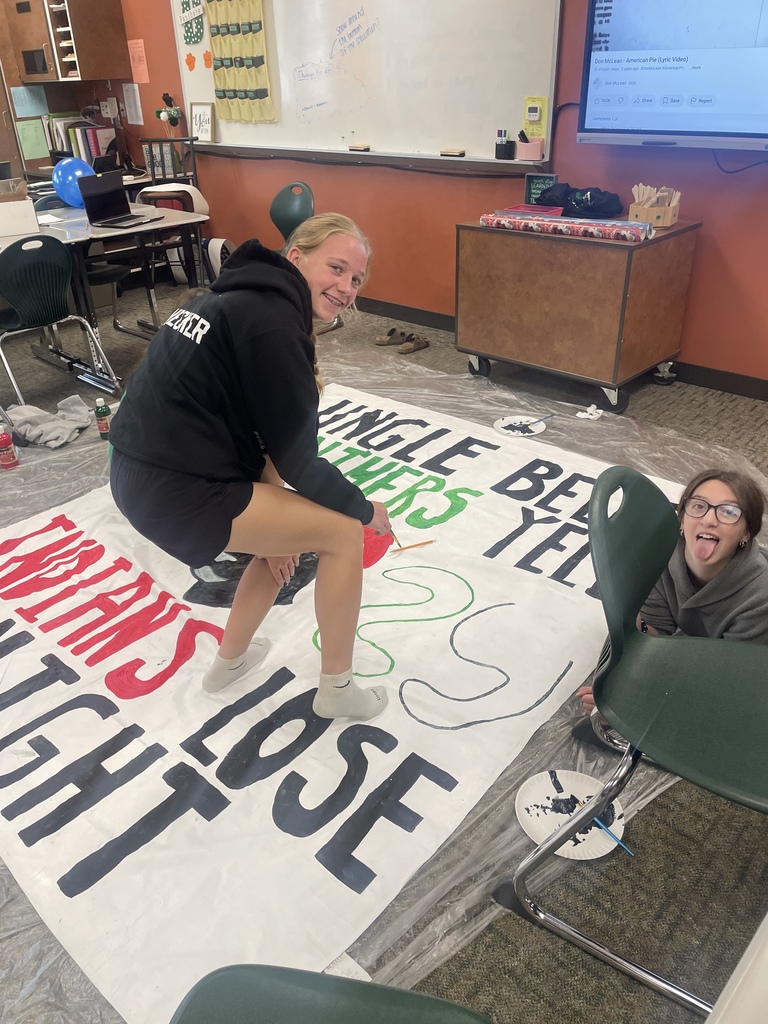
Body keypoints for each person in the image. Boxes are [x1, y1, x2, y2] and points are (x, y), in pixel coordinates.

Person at [109, 213, 391, 720]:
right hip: (178, 486)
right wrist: (364, 508)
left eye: (356, 279)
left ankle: (229, 662)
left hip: (139, 475)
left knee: (285, 536)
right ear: (296, 257)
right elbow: (300, 459)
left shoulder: (232, 299)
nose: (346, 287)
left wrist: (276, 523)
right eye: (337, 267)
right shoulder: (273, 326)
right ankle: (338, 688)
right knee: (343, 533)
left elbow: (262, 436)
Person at [577, 468, 768, 717]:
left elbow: (727, 683)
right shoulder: (659, 554)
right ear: (682, 518)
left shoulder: (760, 595)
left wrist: (632, 702)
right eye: (699, 506)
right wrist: (632, 633)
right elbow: (656, 633)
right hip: (700, 659)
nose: (709, 520)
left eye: (729, 512)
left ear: (746, 533)